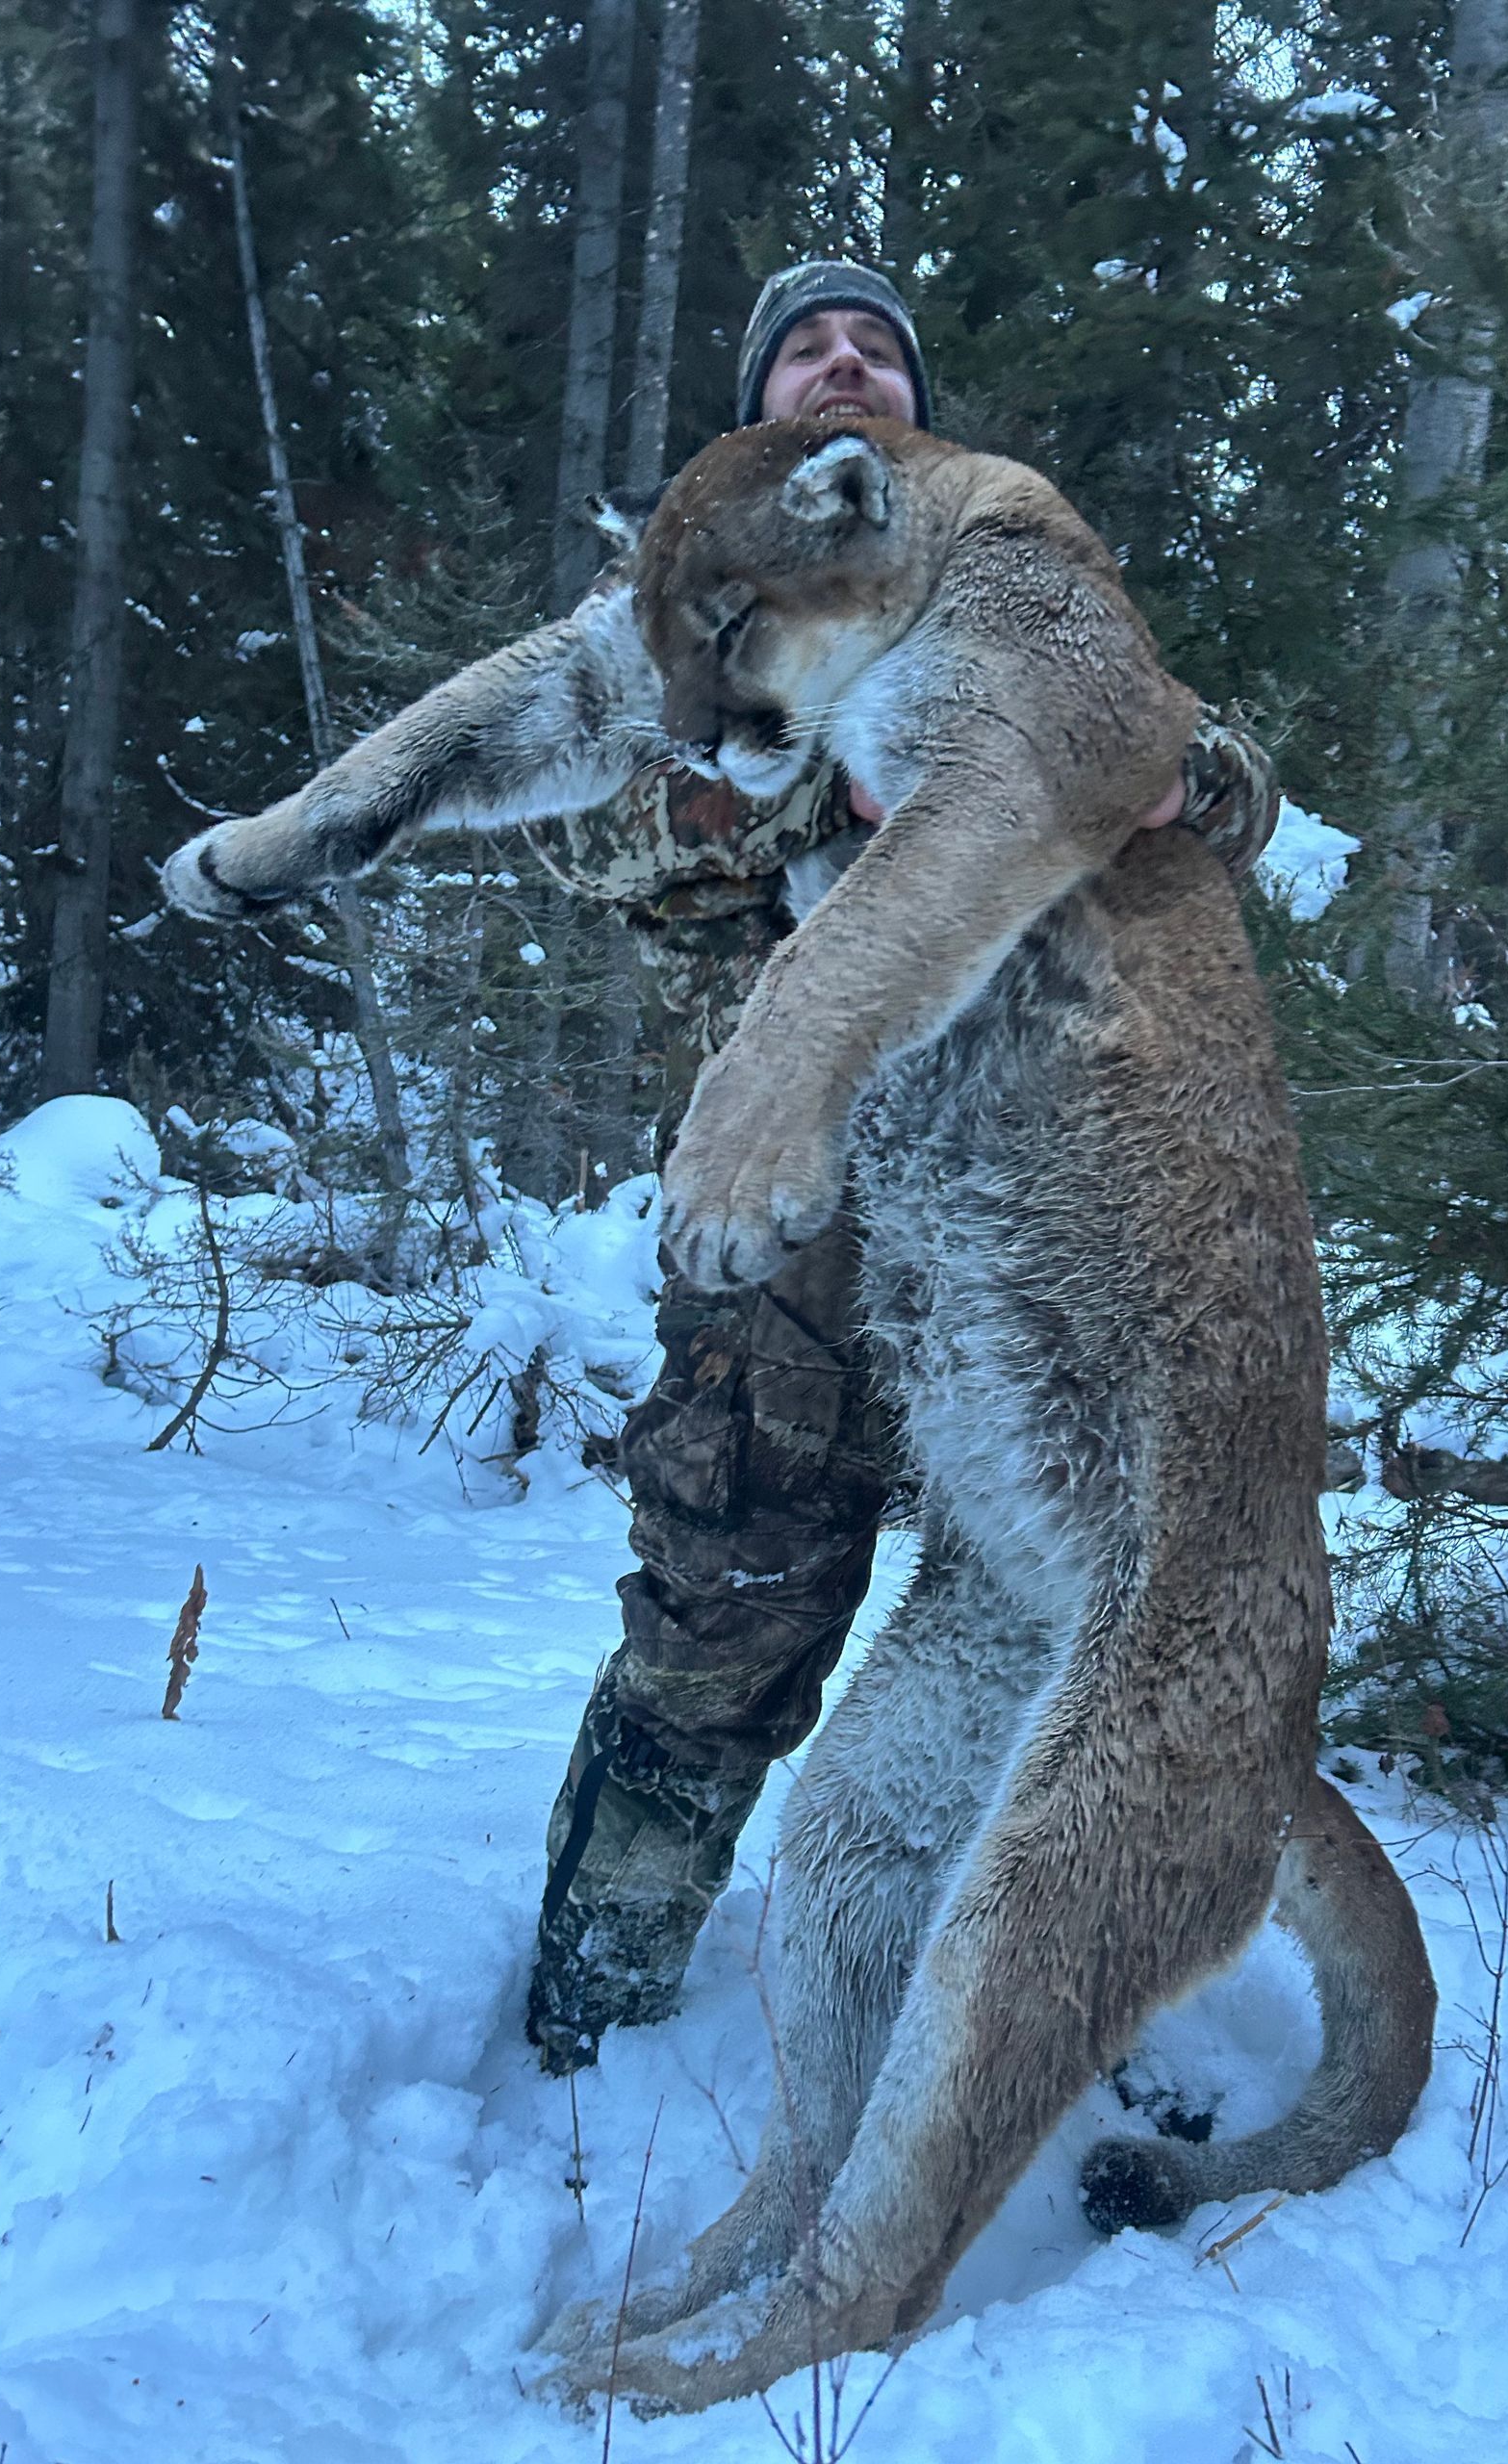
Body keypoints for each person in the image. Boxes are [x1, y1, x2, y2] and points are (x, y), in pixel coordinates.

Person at [523, 259, 1281, 2074]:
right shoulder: (700, 608)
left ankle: (1063, 1999)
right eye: (804, 349)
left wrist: (1195, 781)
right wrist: (826, 790)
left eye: (875, 351)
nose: (843, 364)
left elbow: (1212, 778)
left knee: (1063, 1605)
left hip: (1045, 1199)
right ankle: (600, 1988)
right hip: (800, 1216)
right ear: (761, 415)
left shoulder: (1016, 581)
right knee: (731, 1601)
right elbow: (601, 844)